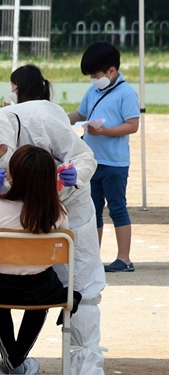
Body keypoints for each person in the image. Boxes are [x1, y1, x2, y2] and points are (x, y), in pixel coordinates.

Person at [0, 65, 106, 375]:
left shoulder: (40, 119)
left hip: (65, 204)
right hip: (13, 212)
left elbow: (83, 156)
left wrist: (75, 175)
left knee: (83, 282)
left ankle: (83, 364)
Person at [0, 144, 81, 375]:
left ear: (12, 175)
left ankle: (14, 363)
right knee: (40, 301)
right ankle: (16, 364)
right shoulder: (57, 211)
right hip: (41, 287)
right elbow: (63, 247)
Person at [68, 42, 140, 273]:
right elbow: (81, 113)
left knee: (118, 208)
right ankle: (92, 257)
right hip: (91, 162)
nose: (92, 79)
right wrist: (58, 116)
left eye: (95, 74)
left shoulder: (126, 93)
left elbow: (132, 125)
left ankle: (124, 258)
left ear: (111, 71)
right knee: (93, 210)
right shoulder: (93, 91)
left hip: (115, 164)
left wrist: (104, 131)